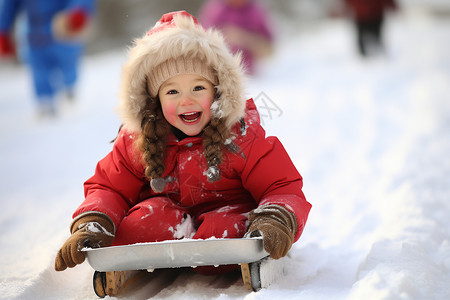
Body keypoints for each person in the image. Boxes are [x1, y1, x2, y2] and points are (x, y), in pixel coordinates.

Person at [53, 11, 311, 297]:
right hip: (166, 222)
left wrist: (276, 218)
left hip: (228, 215)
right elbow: (109, 186)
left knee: (221, 228)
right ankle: (160, 241)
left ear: (218, 91)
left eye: (198, 87)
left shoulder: (241, 135)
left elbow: (281, 185)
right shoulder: (136, 141)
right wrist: (95, 221)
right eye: (172, 91)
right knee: (145, 223)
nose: (186, 100)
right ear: (155, 100)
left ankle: (223, 240)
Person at [0, 0, 95, 116]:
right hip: (35, 31)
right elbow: (9, 5)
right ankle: (45, 101)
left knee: (67, 61)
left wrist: (79, 10)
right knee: (39, 67)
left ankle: (70, 90)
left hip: (63, 24)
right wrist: (3, 31)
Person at [199, 0, 274, 74]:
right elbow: (200, 40)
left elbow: (269, 49)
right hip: (217, 72)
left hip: (248, 75)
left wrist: (244, 38)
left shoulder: (256, 12)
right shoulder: (216, 9)